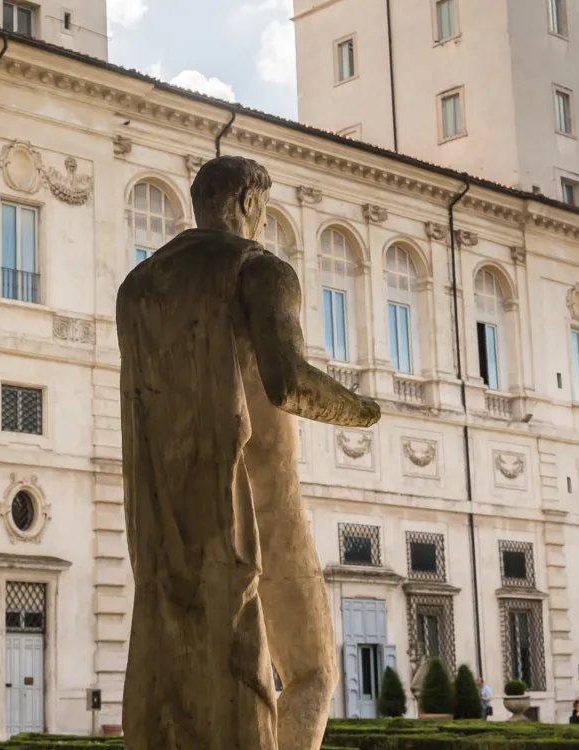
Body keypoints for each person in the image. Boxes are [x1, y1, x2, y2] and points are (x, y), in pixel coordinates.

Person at [118, 156, 383, 750]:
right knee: (313, 672)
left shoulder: (137, 287)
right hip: (262, 499)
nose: (261, 222)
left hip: (168, 511)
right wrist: (362, 409)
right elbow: (286, 382)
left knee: (180, 669)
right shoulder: (259, 269)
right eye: (260, 210)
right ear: (245, 205)